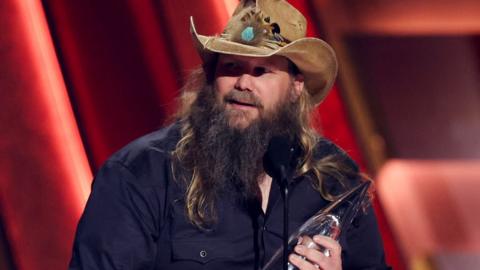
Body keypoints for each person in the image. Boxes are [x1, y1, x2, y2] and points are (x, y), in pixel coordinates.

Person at [69, 0, 390, 269]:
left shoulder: (335, 177)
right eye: (232, 67)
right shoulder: (140, 173)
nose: (243, 83)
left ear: (296, 86)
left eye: (261, 70)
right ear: (211, 77)